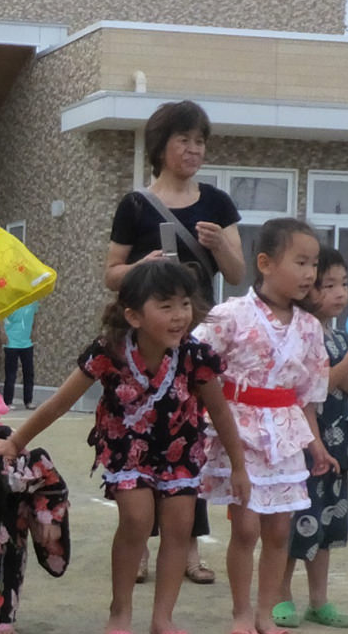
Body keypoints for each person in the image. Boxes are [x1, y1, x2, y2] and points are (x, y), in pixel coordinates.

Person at [0, 261, 237, 634]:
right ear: (133, 315)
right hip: (126, 447)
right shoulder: (110, 350)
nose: (179, 316)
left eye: (185, 304)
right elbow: (60, 402)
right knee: (137, 519)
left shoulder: (196, 355)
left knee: (181, 526)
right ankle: (119, 616)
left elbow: (220, 413)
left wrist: (239, 466)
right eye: (166, 306)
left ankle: (163, 620)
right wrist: (15, 442)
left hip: (181, 451)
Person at [103, 100, 244, 587]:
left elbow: (238, 273)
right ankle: (139, 548)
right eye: (184, 140)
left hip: (198, 334)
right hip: (146, 340)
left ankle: (186, 550)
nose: (193, 149)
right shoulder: (137, 204)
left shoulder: (218, 204)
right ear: (162, 146)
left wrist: (219, 244)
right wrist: (144, 265)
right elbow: (111, 273)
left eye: (200, 141)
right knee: (144, 437)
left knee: (191, 439)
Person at [197, 217, 336, 634]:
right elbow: (197, 365)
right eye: (300, 261)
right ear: (265, 263)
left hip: (287, 433)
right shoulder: (229, 315)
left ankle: (265, 612)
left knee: (280, 531)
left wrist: (316, 444)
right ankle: (240, 613)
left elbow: (308, 397)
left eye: (314, 264)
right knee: (247, 528)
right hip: (240, 431)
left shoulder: (312, 329)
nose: (310, 273)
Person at [275, 247, 348, 629]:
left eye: (343, 284)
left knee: (328, 525)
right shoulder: (299, 336)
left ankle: (319, 599)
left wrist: (345, 372)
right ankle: (281, 594)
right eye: (327, 285)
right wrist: (344, 369)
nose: (339, 293)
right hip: (302, 449)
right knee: (293, 524)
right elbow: (304, 392)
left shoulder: (341, 339)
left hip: (337, 449)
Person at [1, 300, 40, 409]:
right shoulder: (11, 301)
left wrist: (34, 331)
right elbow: (0, 317)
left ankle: (28, 400)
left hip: (27, 342)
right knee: (11, 374)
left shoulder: (33, 301)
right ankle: (7, 401)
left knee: (29, 373)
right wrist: (2, 333)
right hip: (11, 343)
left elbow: (35, 317)